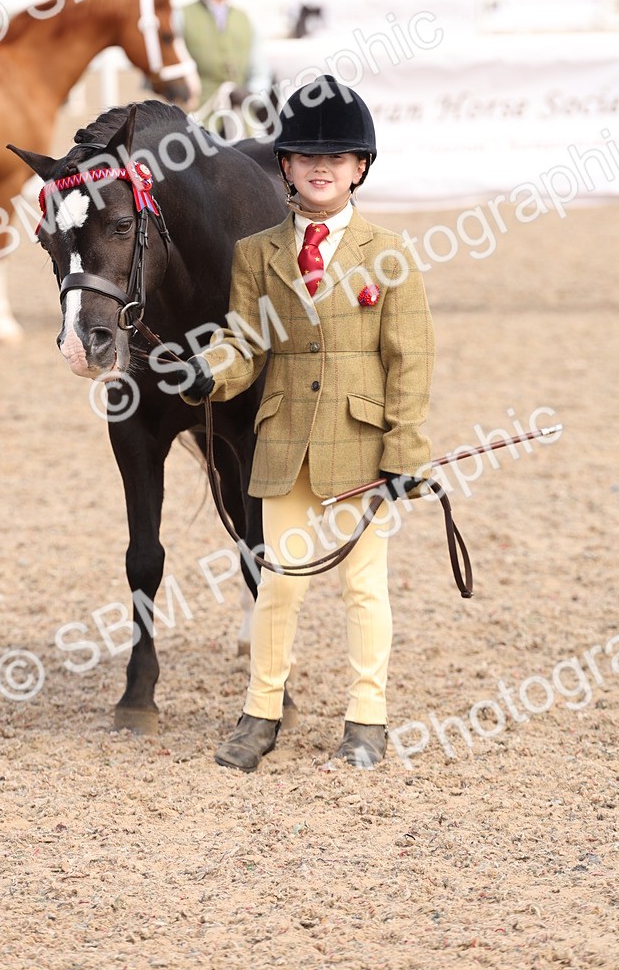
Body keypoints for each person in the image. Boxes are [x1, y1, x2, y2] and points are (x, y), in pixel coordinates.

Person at [182, 75, 435, 771]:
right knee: (279, 583)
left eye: (338, 159)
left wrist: (404, 449)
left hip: (359, 446)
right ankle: (261, 712)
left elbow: (409, 359)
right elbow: (243, 340)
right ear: (285, 167)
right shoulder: (256, 253)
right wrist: (213, 369)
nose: (322, 168)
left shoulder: (388, 253)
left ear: (359, 168)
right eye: (306, 158)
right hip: (285, 440)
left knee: (363, 586)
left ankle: (367, 718)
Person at [180, 0, 272, 134]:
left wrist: (251, 94)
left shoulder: (246, 19)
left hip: (241, 123)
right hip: (196, 124)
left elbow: (260, 71)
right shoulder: (181, 16)